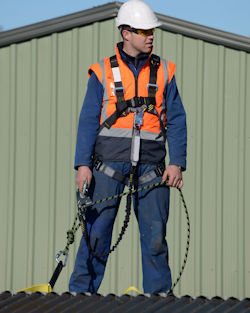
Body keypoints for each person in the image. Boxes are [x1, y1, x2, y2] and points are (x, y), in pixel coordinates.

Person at [69, 0, 187, 294]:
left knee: (156, 239)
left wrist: (177, 162)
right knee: (95, 236)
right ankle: (80, 298)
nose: (151, 36)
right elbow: (87, 122)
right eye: (144, 31)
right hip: (106, 168)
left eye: (152, 31)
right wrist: (83, 165)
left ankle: (158, 298)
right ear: (125, 33)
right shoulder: (102, 72)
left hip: (153, 170)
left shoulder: (165, 72)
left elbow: (176, 119)